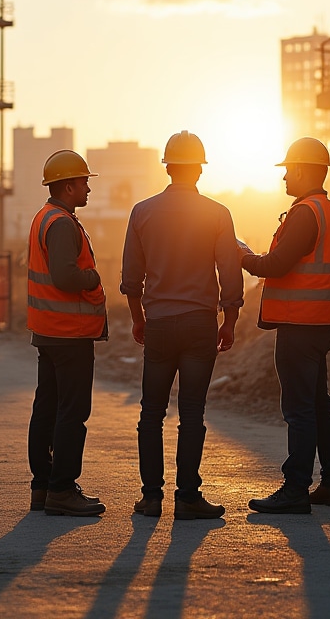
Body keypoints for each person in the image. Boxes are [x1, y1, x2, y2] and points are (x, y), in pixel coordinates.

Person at [120, 131, 244, 520]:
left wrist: (139, 319)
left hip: (158, 323)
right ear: (199, 170)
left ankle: (152, 498)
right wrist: (230, 321)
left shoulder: (142, 212)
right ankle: (188, 497)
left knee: (151, 412)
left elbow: (130, 277)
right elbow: (231, 272)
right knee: (192, 412)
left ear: (169, 167)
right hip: (199, 326)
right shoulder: (217, 213)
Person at [240, 137, 330, 515]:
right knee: (319, 403)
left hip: (300, 324)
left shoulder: (305, 213)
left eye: (288, 169)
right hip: (322, 323)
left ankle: (295, 488)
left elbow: (276, 265)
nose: (284, 177)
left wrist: (243, 255)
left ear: (302, 170)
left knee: (299, 408)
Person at [26, 149, 108, 517]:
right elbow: (66, 276)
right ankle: (61, 488)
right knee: (72, 411)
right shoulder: (60, 223)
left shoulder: (45, 218)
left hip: (49, 331)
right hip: (69, 333)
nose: (88, 188)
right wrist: (93, 277)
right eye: (85, 182)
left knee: (47, 407)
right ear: (69, 185)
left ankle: (43, 487)